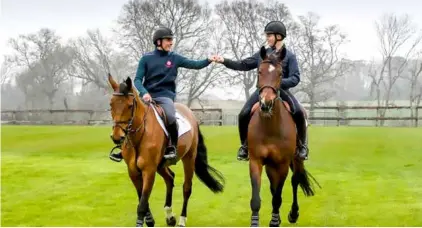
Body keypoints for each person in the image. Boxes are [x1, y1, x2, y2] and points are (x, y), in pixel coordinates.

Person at [109, 26, 216, 164]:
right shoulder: (146, 59)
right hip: (147, 97)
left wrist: (208, 59)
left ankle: (171, 147)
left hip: (165, 97)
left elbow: (194, 64)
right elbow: (137, 80)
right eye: (168, 40)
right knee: (131, 118)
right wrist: (144, 93)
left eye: (171, 40)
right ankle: (123, 149)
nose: (171, 43)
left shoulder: (175, 58)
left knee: (171, 116)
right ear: (158, 42)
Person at [214, 21, 309, 161]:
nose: (267, 38)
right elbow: (244, 65)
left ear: (279, 36)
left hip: (282, 91)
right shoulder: (262, 54)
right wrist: (224, 61)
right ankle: (245, 147)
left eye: (269, 35)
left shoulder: (289, 56)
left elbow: (295, 78)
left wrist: (277, 83)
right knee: (243, 114)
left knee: (299, 112)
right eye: (267, 35)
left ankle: (302, 147)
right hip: (262, 91)